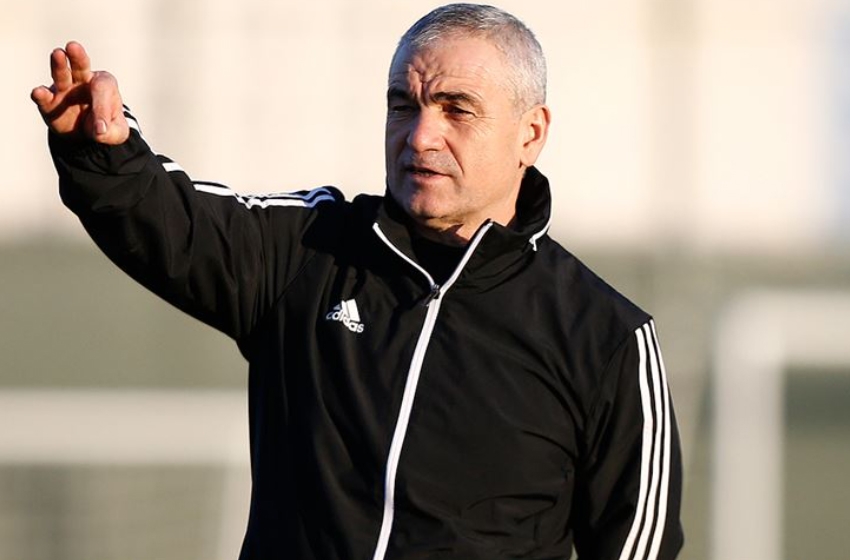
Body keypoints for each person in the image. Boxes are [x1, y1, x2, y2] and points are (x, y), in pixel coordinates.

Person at [32, 3, 683, 559]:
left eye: (457, 110)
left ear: (530, 134)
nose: (421, 136)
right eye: (404, 105)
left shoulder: (606, 337)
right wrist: (101, 153)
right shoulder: (311, 250)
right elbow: (178, 223)